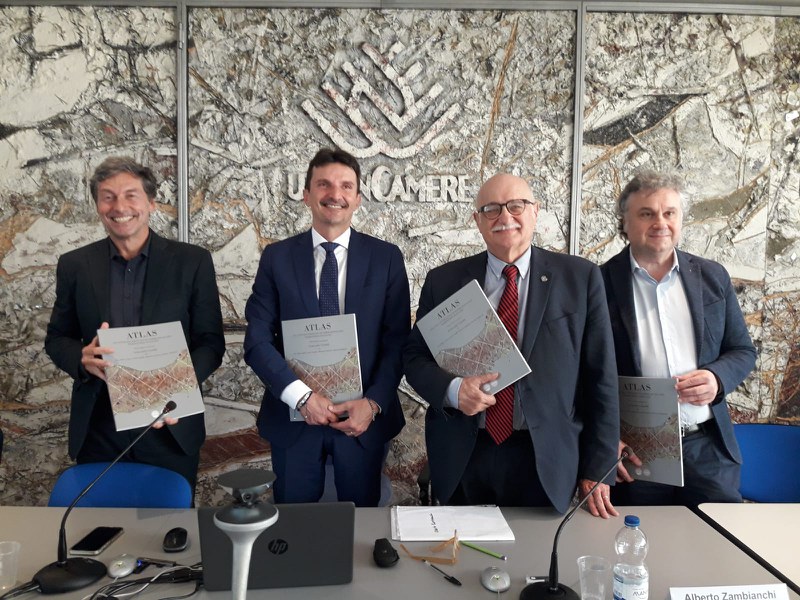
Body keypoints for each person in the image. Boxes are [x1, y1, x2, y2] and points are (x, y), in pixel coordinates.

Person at [404, 173, 620, 517]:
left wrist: (599, 466)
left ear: (535, 211)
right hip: (465, 453)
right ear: (477, 220)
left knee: (538, 549)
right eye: (491, 209)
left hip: (545, 457)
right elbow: (415, 357)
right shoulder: (443, 281)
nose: (505, 217)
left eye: (516, 206)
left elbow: (601, 376)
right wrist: (453, 390)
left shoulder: (580, 278)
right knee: (467, 549)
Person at [44, 156, 225, 489]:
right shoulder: (74, 265)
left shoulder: (192, 262)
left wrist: (174, 386)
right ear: (98, 205)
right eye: (108, 197)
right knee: (100, 518)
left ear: (151, 202)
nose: (119, 207)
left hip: (170, 424)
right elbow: (57, 338)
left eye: (131, 195)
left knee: (170, 520)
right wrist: (81, 359)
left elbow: (211, 343)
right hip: (99, 426)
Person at [244, 148, 410, 507]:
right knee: (294, 525)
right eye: (324, 185)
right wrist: (301, 397)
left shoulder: (386, 258)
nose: (335, 194)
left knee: (362, 525)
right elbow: (257, 340)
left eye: (346, 186)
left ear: (358, 199)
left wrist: (374, 403)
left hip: (362, 421)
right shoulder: (276, 258)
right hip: (293, 421)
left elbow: (397, 342)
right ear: (306, 195)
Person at [602, 170, 756, 506]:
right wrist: (604, 440)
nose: (660, 223)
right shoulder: (598, 284)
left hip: (707, 448)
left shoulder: (712, 277)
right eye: (647, 214)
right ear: (624, 222)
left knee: (717, 536)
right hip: (636, 451)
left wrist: (717, 378)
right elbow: (582, 373)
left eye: (669, 213)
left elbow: (742, 350)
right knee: (640, 535)